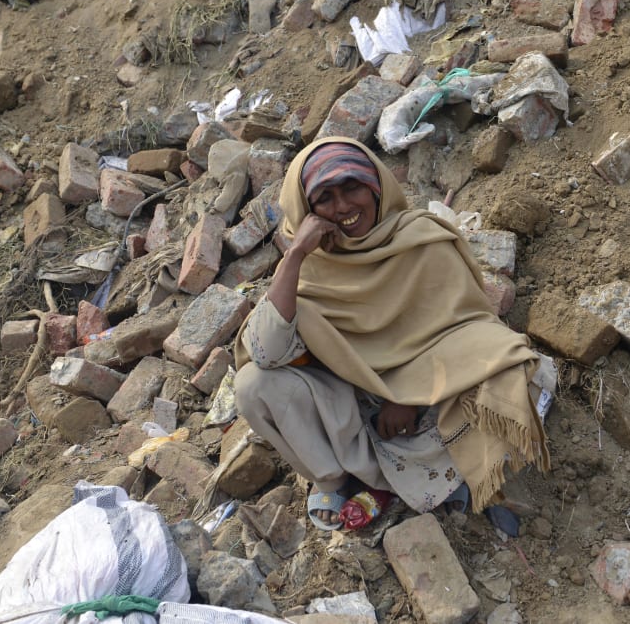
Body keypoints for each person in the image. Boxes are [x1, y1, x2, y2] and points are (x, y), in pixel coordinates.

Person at [234, 136, 549, 531]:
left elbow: (468, 328)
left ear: (376, 186)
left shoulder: (420, 238)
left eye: (352, 187)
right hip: (355, 414)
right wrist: (295, 254)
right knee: (251, 385)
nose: (344, 207)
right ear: (307, 211)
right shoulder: (307, 273)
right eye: (325, 198)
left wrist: (408, 397)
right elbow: (265, 353)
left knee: (523, 371)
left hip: (428, 400)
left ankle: (398, 485)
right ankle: (339, 477)